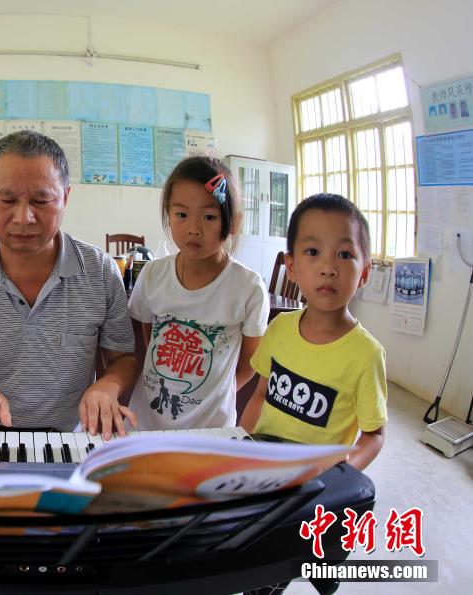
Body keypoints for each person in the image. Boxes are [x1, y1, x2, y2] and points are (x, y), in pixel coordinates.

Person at [0, 130, 138, 440]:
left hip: (71, 437)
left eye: (41, 200)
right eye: (7, 200)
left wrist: (108, 385)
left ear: (65, 197)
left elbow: (123, 359)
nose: (24, 217)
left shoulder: (100, 271)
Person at [239, 193, 386, 471]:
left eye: (344, 255)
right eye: (313, 252)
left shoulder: (367, 354)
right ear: (292, 267)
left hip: (314, 484)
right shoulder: (279, 327)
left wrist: (340, 475)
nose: (328, 268)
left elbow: (374, 435)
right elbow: (260, 394)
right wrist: (242, 443)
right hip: (263, 468)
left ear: (364, 273)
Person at [128, 157, 268, 430]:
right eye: (181, 214)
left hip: (211, 428)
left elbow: (251, 361)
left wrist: (218, 393)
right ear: (169, 214)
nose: (193, 228)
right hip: (146, 423)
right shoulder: (153, 274)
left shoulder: (248, 288)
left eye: (209, 216)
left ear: (232, 222)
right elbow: (147, 339)